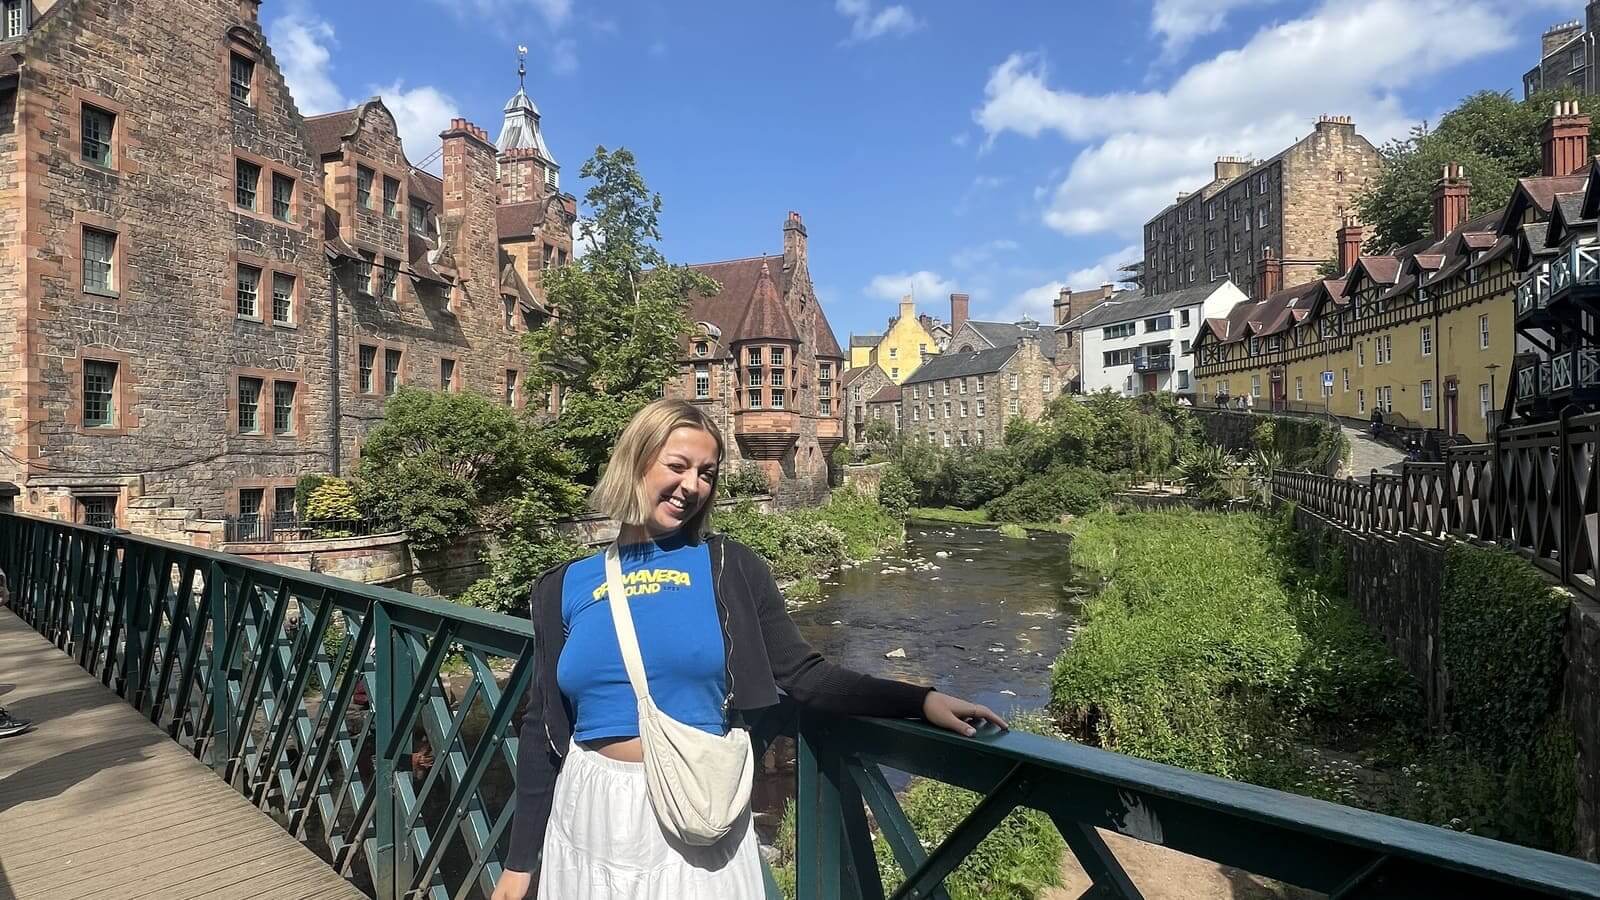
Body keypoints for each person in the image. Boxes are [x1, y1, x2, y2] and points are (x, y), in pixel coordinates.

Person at [492, 400, 1005, 900]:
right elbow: (543, 727)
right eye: (678, 466)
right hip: (589, 808)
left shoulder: (728, 567)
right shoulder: (563, 586)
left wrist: (917, 700)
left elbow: (804, 675)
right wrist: (518, 866)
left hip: (693, 808)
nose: (692, 486)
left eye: (707, 474)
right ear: (635, 461)